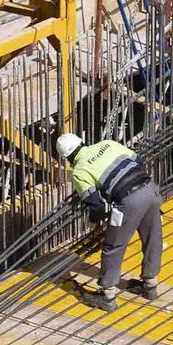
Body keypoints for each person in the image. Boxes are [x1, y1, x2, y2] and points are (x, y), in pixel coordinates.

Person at [57, 132, 162, 312]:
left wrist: (95, 222)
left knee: (113, 247)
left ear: (67, 159)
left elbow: (95, 204)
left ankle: (107, 296)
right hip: (150, 189)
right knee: (153, 236)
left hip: (129, 201)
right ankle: (150, 285)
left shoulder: (80, 170)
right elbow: (138, 160)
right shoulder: (107, 144)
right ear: (82, 142)